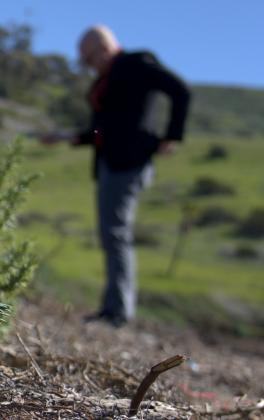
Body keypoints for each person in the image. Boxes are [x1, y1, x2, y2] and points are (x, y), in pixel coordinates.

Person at [41, 25, 190, 327]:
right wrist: (71, 137)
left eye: (88, 59)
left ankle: (118, 311)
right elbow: (104, 130)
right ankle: (114, 307)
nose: (88, 66)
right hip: (110, 163)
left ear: (104, 48)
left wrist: (169, 137)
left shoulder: (135, 64)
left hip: (128, 163)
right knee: (111, 233)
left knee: (116, 233)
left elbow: (180, 91)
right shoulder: (106, 79)